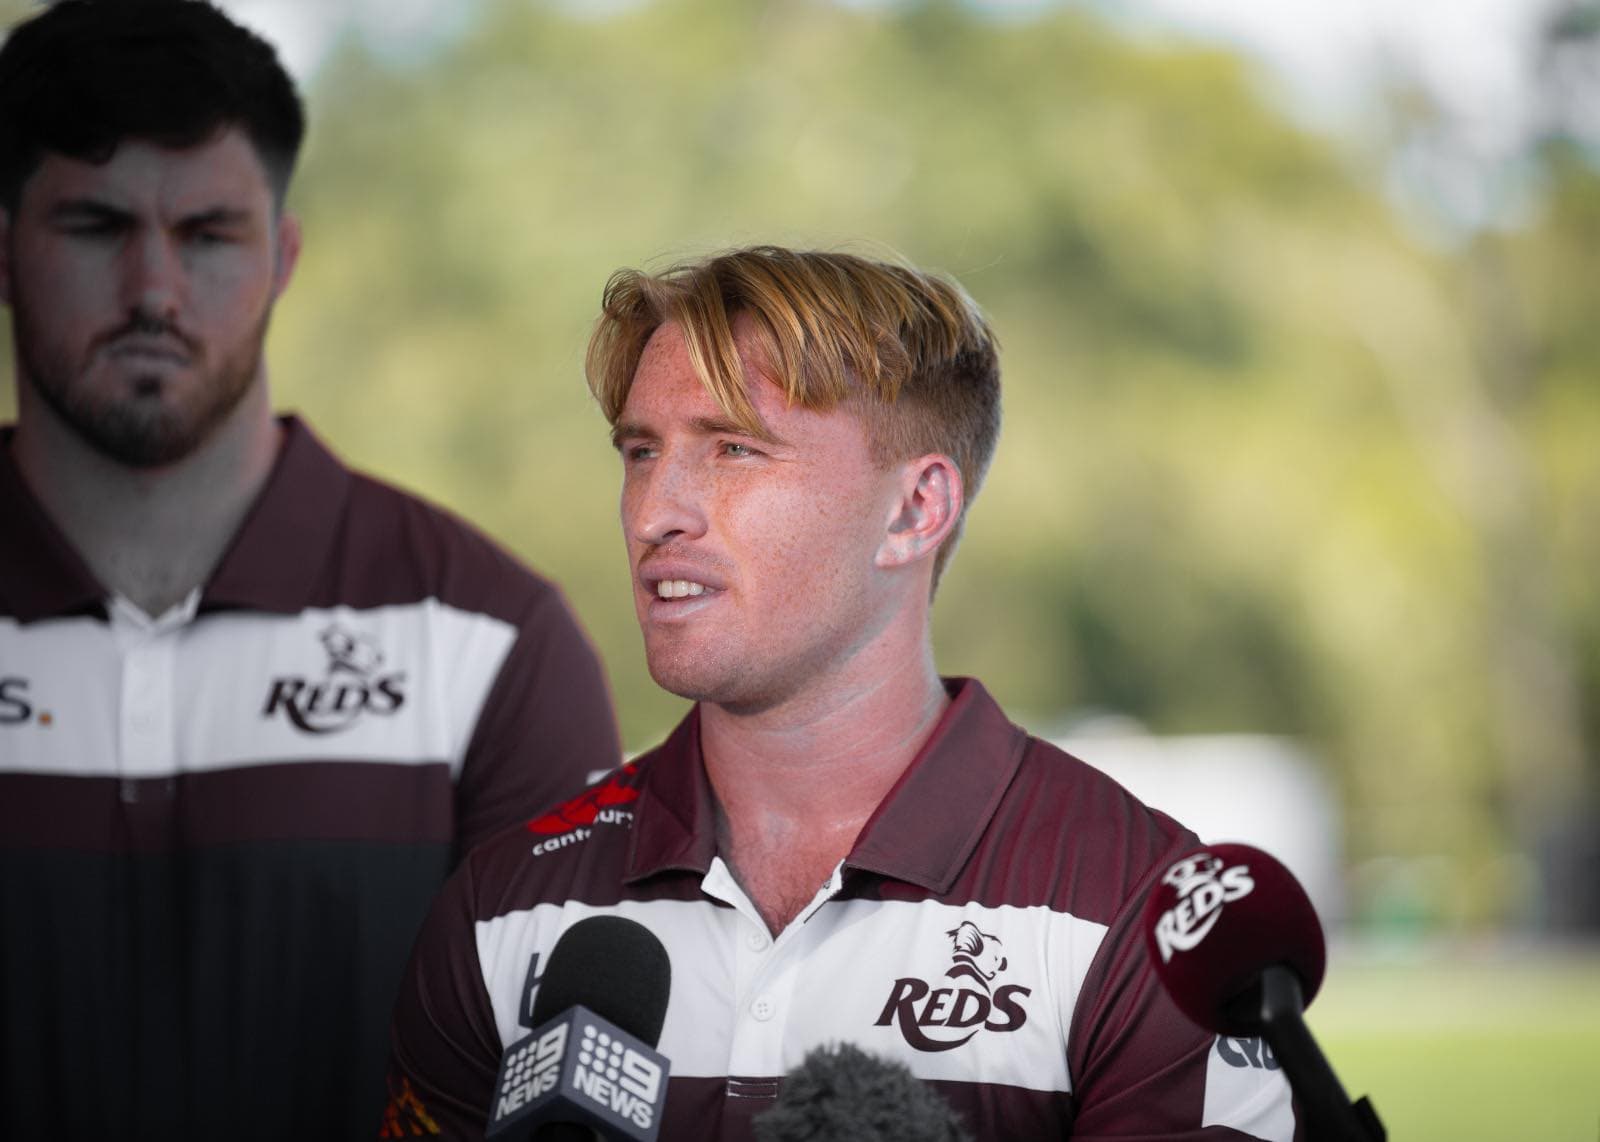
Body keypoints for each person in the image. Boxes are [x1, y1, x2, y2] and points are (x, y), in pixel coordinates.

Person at [383, 246, 1301, 1139]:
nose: (656, 510)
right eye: (638, 450)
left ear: (914, 511)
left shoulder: (1148, 913)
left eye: (734, 449)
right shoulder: (503, 902)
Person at [0, 3, 620, 1138]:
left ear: (282, 255)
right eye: (94, 226)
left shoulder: (485, 641)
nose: (153, 290)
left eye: (208, 234)